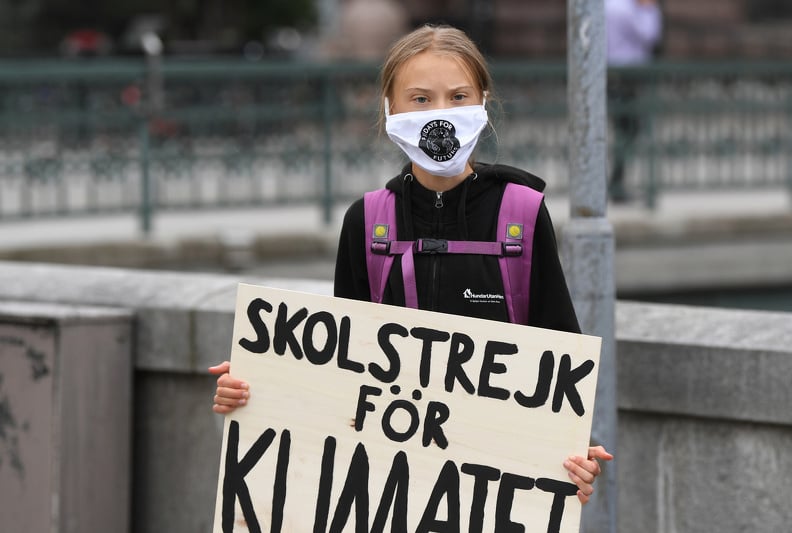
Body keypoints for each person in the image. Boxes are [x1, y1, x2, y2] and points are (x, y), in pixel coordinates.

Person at [210, 23, 613, 505]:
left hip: (491, 495)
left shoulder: (522, 215)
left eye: (458, 96)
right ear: (390, 109)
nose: (440, 113)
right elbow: (342, 371)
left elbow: (558, 359)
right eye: (420, 99)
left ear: (482, 104)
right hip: (396, 493)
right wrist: (264, 384)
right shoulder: (366, 222)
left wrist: (569, 455)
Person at [606, 0, 663, 202]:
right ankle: (615, 184)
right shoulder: (625, 9)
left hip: (611, 73)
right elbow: (650, 35)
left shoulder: (606, 5)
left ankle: (615, 182)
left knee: (623, 129)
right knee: (628, 129)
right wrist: (650, 9)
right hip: (627, 76)